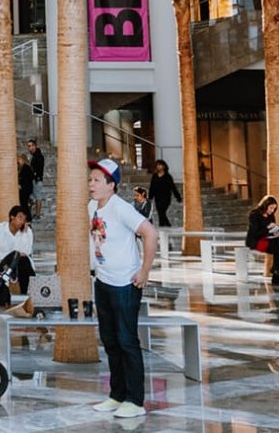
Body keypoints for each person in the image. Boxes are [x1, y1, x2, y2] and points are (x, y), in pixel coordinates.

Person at [86, 159, 159, 418]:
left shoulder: (121, 208)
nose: (91, 184)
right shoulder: (92, 207)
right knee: (110, 340)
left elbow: (150, 233)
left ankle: (135, 401)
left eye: (96, 180)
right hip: (103, 281)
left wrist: (145, 270)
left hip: (125, 284)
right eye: (91, 179)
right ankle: (117, 395)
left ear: (111, 185)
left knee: (127, 340)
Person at [0, 205, 35, 311]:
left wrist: (23, 235)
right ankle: (3, 301)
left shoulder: (27, 232)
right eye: (19, 217)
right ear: (12, 217)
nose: (22, 221)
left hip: (22, 265)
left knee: (24, 262)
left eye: (24, 219)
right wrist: (14, 255)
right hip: (3, 264)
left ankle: (26, 298)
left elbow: (26, 252)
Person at [245, 196, 279, 287]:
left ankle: (275, 271)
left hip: (267, 240)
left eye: (274, 208)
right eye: (271, 208)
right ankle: (275, 274)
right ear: (265, 205)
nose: (273, 210)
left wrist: (275, 233)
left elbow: (270, 232)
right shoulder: (254, 214)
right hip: (255, 241)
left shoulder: (271, 216)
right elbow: (255, 233)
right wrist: (268, 228)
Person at [148, 161, 177, 227]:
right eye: (157, 165)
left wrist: (177, 196)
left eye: (160, 165)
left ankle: (164, 226)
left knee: (162, 212)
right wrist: (150, 196)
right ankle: (165, 225)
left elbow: (173, 187)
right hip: (157, 197)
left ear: (164, 166)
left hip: (166, 197)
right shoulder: (155, 176)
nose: (158, 166)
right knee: (160, 212)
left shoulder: (168, 176)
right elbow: (152, 186)